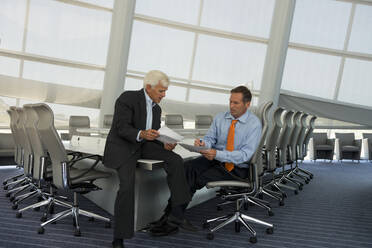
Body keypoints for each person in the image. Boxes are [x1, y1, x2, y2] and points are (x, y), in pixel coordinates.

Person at [103, 70, 196, 248]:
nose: (164, 95)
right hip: (124, 147)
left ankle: (177, 214)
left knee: (175, 160)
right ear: (148, 87)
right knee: (127, 186)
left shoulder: (157, 108)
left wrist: (164, 143)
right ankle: (118, 239)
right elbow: (121, 128)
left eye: (165, 91)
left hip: (144, 146)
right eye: (161, 91)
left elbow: (153, 134)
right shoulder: (127, 98)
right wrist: (141, 133)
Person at [154, 86, 262, 224]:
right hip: (216, 159)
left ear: (247, 104)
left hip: (236, 167)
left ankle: (171, 217)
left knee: (195, 177)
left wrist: (217, 154)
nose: (231, 106)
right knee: (186, 167)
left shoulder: (254, 124)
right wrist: (203, 143)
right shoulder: (221, 118)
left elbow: (245, 155)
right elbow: (211, 139)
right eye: (230, 101)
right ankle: (172, 216)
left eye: (236, 103)